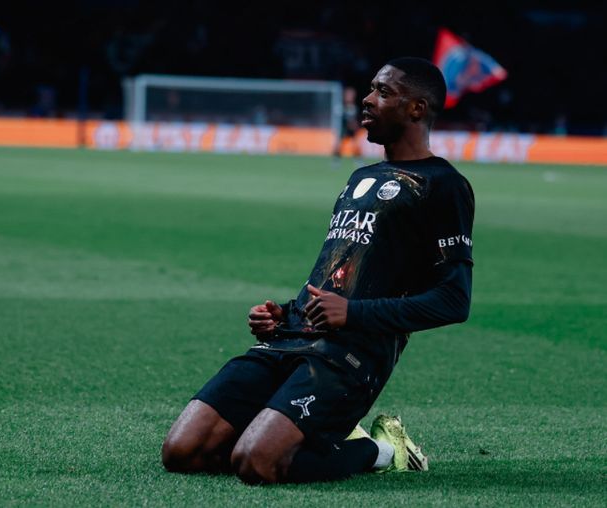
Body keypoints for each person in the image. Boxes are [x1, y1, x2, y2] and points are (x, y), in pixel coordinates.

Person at [162, 57, 474, 484]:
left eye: (383, 92)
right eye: (371, 88)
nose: (367, 99)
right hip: (291, 337)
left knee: (256, 462)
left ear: (416, 108)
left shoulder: (443, 186)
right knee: (182, 452)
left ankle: (381, 450)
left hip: (350, 356)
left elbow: (454, 300)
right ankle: (301, 432)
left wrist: (352, 314)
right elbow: (341, 274)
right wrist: (285, 313)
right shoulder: (361, 177)